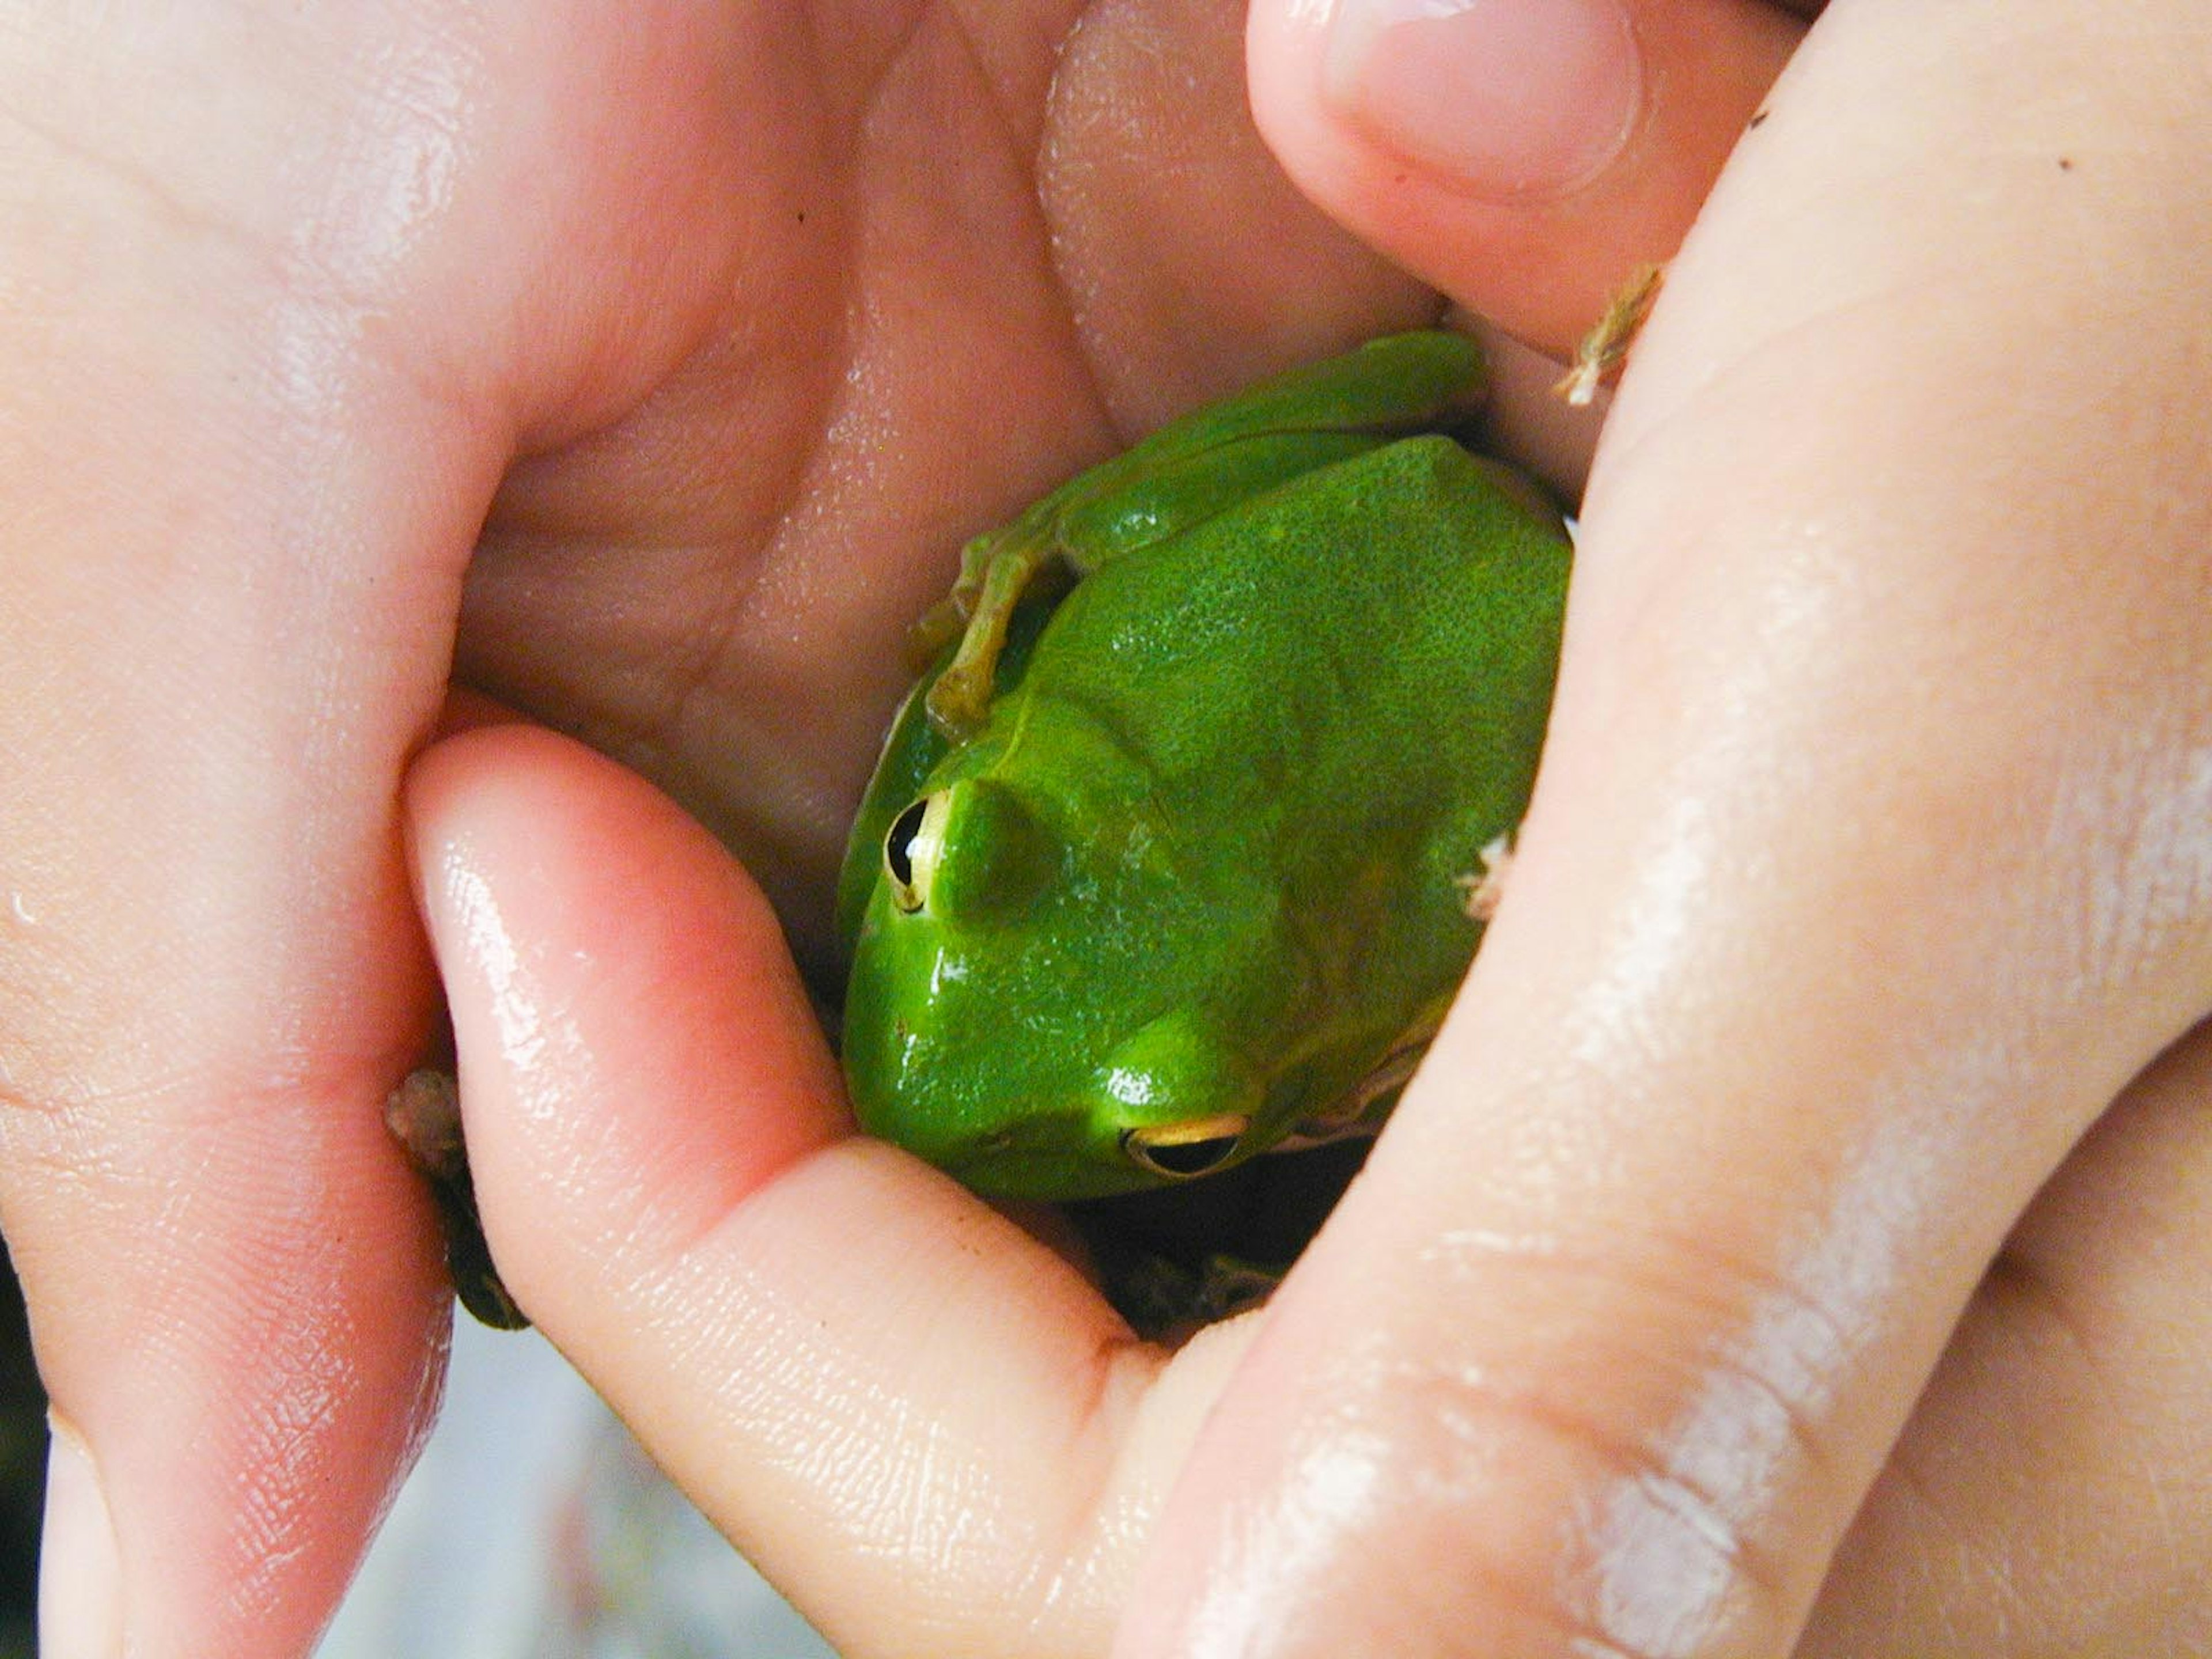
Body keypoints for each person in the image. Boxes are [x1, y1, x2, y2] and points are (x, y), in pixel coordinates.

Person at [5, 1, 2206, 1654]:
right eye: (944, 852)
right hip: (1450, 445)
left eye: (1183, 1127)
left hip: (1676, 615)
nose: (923, 1028)